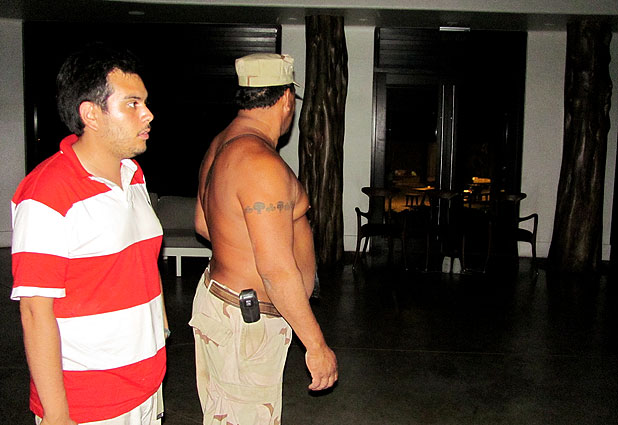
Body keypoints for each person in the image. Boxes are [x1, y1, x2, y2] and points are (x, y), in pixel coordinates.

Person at [10, 44, 168, 425]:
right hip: (89, 405)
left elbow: (141, 261)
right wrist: (57, 414)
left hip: (146, 387)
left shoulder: (133, 175)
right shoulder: (47, 194)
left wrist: (160, 325)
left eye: (145, 102)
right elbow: (34, 311)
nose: (148, 114)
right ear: (91, 114)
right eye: (132, 104)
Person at [191, 53, 338, 424]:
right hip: (246, 325)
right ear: (287, 99)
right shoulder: (260, 164)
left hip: (219, 302)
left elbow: (204, 225)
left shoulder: (220, 144)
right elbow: (276, 270)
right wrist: (316, 345)